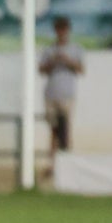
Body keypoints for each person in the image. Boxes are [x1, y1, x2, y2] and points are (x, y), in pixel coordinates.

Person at [38, 16, 84, 162]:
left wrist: (67, 60)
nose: (61, 32)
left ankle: (67, 162)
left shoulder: (75, 49)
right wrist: (53, 61)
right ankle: (53, 163)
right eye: (59, 29)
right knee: (54, 130)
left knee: (65, 131)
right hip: (51, 94)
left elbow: (81, 69)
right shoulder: (50, 49)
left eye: (63, 29)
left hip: (67, 95)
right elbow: (41, 69)